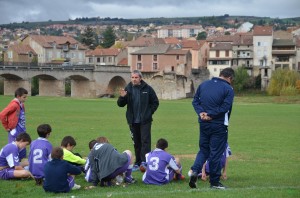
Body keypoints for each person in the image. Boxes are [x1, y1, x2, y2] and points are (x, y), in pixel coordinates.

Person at [189, 67, 235, 190]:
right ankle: (214, 182)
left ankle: (194, 171)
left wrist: (201, 113)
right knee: (216, 153)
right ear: (230, 78)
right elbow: (225, 107)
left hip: (203, 123)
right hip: (219, 125)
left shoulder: (204, 84)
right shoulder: (228, 89)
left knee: (204, 149)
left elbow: (195, 101)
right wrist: (211, 115)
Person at [117, 70, 159, 171]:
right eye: (132, 77)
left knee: (145, 141)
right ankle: (137, 162)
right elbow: (120, 104)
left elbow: (155, 102)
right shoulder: (128, 89)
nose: (134, 79)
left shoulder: (147, 89)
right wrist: (122, 97)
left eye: (136, 77)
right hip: (132, 121)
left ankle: (145, 162)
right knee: (136, 142)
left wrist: (149, 112)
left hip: (145, 120)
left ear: (140, 78)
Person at [0, 87, 28, 160]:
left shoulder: (21, 104)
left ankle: (21, 166)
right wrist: (7, 127)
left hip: (22, 130)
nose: (25, 99)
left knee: (22, 149)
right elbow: (2, 114)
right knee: (13, 149)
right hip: (15, 130)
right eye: (24, 97)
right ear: (18, 96)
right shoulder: (14, 105)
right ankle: (11, 167)